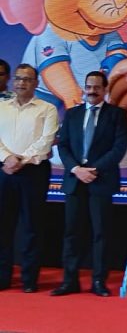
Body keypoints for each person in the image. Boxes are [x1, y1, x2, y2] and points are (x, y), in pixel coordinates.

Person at [51, 71, 127, 297]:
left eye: (96, 87)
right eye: (88, 87)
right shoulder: (72, 114)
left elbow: (119, 148)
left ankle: (98, 281)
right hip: (75, 181)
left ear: (105, 90)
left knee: (101, 233)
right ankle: (70, 281)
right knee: (72, 233)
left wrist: (94, 169)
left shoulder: (116, 115)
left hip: (100, 180)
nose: (92, 91)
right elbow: (63, 146)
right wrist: (76, 169)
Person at [0, 64, 58, 292]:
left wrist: (21, 160)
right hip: (4, 171)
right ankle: (3, 277)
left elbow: (46, 140)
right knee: (3, 226)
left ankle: (29, 279)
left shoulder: (47, 108)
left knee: (31, 226)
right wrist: (7, 158)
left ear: (36, 83)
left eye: (27, 79)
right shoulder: (2, 107)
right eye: (18, 78)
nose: (21, 83)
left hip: (34, 172)